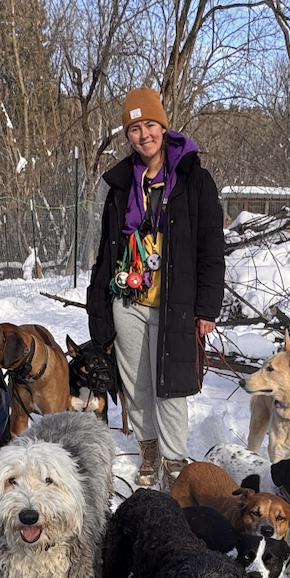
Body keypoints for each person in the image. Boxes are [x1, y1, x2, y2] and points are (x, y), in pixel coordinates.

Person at [86, 87, 225, 489]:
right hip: (127, 301)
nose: (143, 135)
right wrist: (99, 305)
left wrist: (206, 309)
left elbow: (211, 249)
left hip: (174, 306)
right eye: (134, 128)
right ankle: (149, 452)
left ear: (163, 126)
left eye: (149, 125)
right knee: (137, 386)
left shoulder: (194, 179)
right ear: (127, 134)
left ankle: (175, 461)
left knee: (172, 389)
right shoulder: (121, 185)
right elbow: (106, 250)